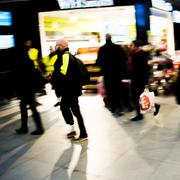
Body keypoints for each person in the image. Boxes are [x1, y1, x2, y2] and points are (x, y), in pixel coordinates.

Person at [51, 38, 88, 142]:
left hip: (70, 90)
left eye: (57, 45)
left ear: (62, 46)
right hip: (70, 90)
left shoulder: (65, 56)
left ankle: (83, 133)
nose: (55, 47)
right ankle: (72, 129)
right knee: (65, 108)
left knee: (75, 111)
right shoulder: (65, 56)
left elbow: (63, 74)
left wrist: (53, 78)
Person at [13, 38, 44, 135]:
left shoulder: (23, 56)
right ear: (26, 42)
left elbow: (21, 73)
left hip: (26, 87)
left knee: (30, 107)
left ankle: (37, 128)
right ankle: (25, 128)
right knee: (24, 106)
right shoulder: (27, 55)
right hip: (29, 87)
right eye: (29, 41)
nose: (30, 42)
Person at [96, 33, 127, 116]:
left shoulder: (102, 49)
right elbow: (124, 59)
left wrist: (104, 67)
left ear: (105, 39)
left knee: (110, 92)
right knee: (118, 91)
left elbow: (98, 62)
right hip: (117, 74)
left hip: (107, 75)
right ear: (111, 38)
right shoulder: (118, 48)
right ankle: (120, 108)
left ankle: (113, 108)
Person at [130, 40, 160, 121]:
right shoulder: (139, 53)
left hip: (138, 79)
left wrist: (144, 81)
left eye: (131, 45)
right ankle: (142, 112)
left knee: (136, 96)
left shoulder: (139, 54)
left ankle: (140, 114)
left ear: (135, 46)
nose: (130, 46)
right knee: (139, 96)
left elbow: (142, 69)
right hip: (138, 78)